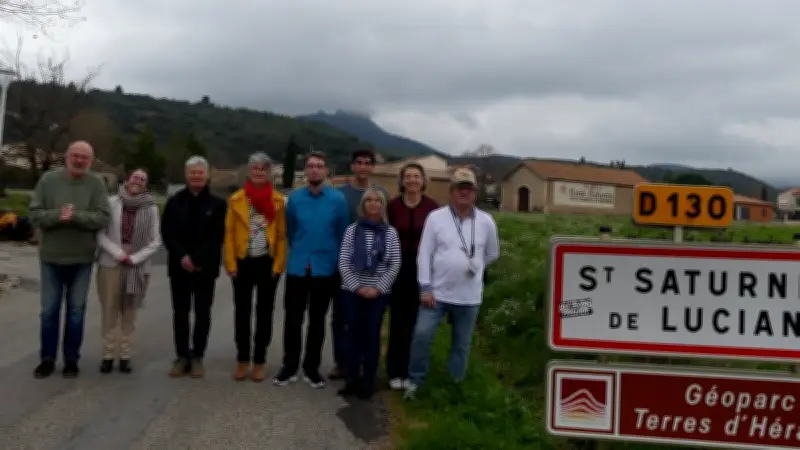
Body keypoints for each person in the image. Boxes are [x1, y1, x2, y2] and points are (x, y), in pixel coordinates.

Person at [404, 167, 500, 400]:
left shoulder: (486, 221)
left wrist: (474, 267)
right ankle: (415, 381)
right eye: (460, 189)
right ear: (451, 191)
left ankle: (455, 383)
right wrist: (425, 287)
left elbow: (492, 254)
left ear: (475, 193)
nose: (464, 193)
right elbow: (424, 254)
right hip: (435, 294)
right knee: (421, 336)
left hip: (469, 297)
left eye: (469, 189)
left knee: (461, 345)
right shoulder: (436, 218)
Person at [28, 141, 111, 378]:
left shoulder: (96, 184)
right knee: (49, 311)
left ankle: (71, 360)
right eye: (75, 155)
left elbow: (103, 217)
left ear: (90, 161)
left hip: (82, 258)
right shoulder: (48, 181)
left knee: (76, 311)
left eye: (84, 157)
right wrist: (57, 216)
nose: (79, 160)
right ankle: (47, 358)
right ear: (66, 157)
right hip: (51, 257)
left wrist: (76, 217)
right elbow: (34, 214)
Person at [275, 151, 348, 389]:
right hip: (298, 267)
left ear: (326, 171)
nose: (314, 170)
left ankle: (311, 368)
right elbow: (292, 230)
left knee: (317, 320)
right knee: (293, 320)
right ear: (305, 171)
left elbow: (341, 232)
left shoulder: (337, 200)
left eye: (319, 166)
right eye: (310, 166)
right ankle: (289, 366)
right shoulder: (295, 199)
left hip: (324, 269)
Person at [161, 156, 227, 378]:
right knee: (180, 313)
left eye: (200, 172)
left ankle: (197, 355)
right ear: (186, 175)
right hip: (179, 268)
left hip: (205, 269)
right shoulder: (174, 201)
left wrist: (195, 258)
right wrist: (182, 256)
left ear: (207, 175)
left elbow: (217, 236)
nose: (196, 176)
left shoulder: (218, 204)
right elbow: (167, 233)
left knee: (202, 313)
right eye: (192, 172)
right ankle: (181, 356)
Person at [224, 152, 287, 383]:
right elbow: (229, 234)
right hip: (242, 262)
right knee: (242, 313)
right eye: (255, 168)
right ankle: (242, 360)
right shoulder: (236, 199)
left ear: (268, 172)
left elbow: (281, 236)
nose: (259, 171)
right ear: (249, 171)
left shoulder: (278, 201)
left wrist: (278, 266)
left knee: (264, 312)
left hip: (267, 263)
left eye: (263, 168)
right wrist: (230, 264)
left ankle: (259, 360)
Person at [336, 187, 401, 399]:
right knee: (352, 334)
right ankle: (351, 377)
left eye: (377, 200)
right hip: (352, 292)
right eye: (369, 200)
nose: (373, 203)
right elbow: (344, 262)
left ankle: (369, 381)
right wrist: (358, 287)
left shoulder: (390, 233)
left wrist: (377, 289)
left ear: (382, 205)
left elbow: (394, 264)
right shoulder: (351, 230)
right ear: (363, 205)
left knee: (371, 336)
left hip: (378, 294)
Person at [95, 168, 161, 374]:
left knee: (129, 313)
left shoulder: (151, 208)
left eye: (142, 179)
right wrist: (118, 253)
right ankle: (107, 354)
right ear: (127, 180)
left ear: (146, 184)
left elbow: (156, 240)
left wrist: (134, 258)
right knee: (109, 310)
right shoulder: (111, 202)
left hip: (138, 267)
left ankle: (125, 355)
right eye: (135, 177)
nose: (138, 181)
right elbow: (100, 234)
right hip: (111, 264)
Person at [331, 149, 389, 380]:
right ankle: (341, 362)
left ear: (372, 167)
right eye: (359, 163)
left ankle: (364, 363)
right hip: (343, 263)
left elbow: (386, 227)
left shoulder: (381, 192)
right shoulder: (340, 195)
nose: (363, 167)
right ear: (352, 166)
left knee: (367, 320)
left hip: (373, 269)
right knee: (340, 317)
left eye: (368, 163)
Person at [385, 163, 439, 390]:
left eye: (416, 176)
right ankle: (394, 371)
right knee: (397, 322)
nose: (412, 180)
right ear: (402, 181)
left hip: (423, 271)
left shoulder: (432, 208)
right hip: (398, 270)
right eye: (408, 176)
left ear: (423, 180)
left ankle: (412, 371)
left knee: (418, 325)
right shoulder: (393, 206)